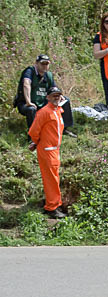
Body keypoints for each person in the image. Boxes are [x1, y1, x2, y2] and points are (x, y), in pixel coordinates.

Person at [14, 54, 76, 138]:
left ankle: (63, 129)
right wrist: (28, 102)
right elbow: (26, 84)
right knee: (31, 109)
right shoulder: (29, 71)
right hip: (26, 103)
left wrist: (59, 96)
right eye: (42, 63)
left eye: (47, 64)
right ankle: (33, 137)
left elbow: (53, 88)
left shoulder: (48, 75)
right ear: (36, 63)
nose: (44, 66)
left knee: (65, 101)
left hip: (42, 102)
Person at [28, 86, 67, 219]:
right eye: (54, 95)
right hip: (47, 150)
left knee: (54, 178)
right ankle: (52, 207)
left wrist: (61, 100)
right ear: (48, 97)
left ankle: (56, 203)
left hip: (54, 149)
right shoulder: (44, 112)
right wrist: (36, 141)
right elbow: (34, 131)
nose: (57, 97)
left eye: (58, 95)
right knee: (51, 179)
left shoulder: (58, 110)